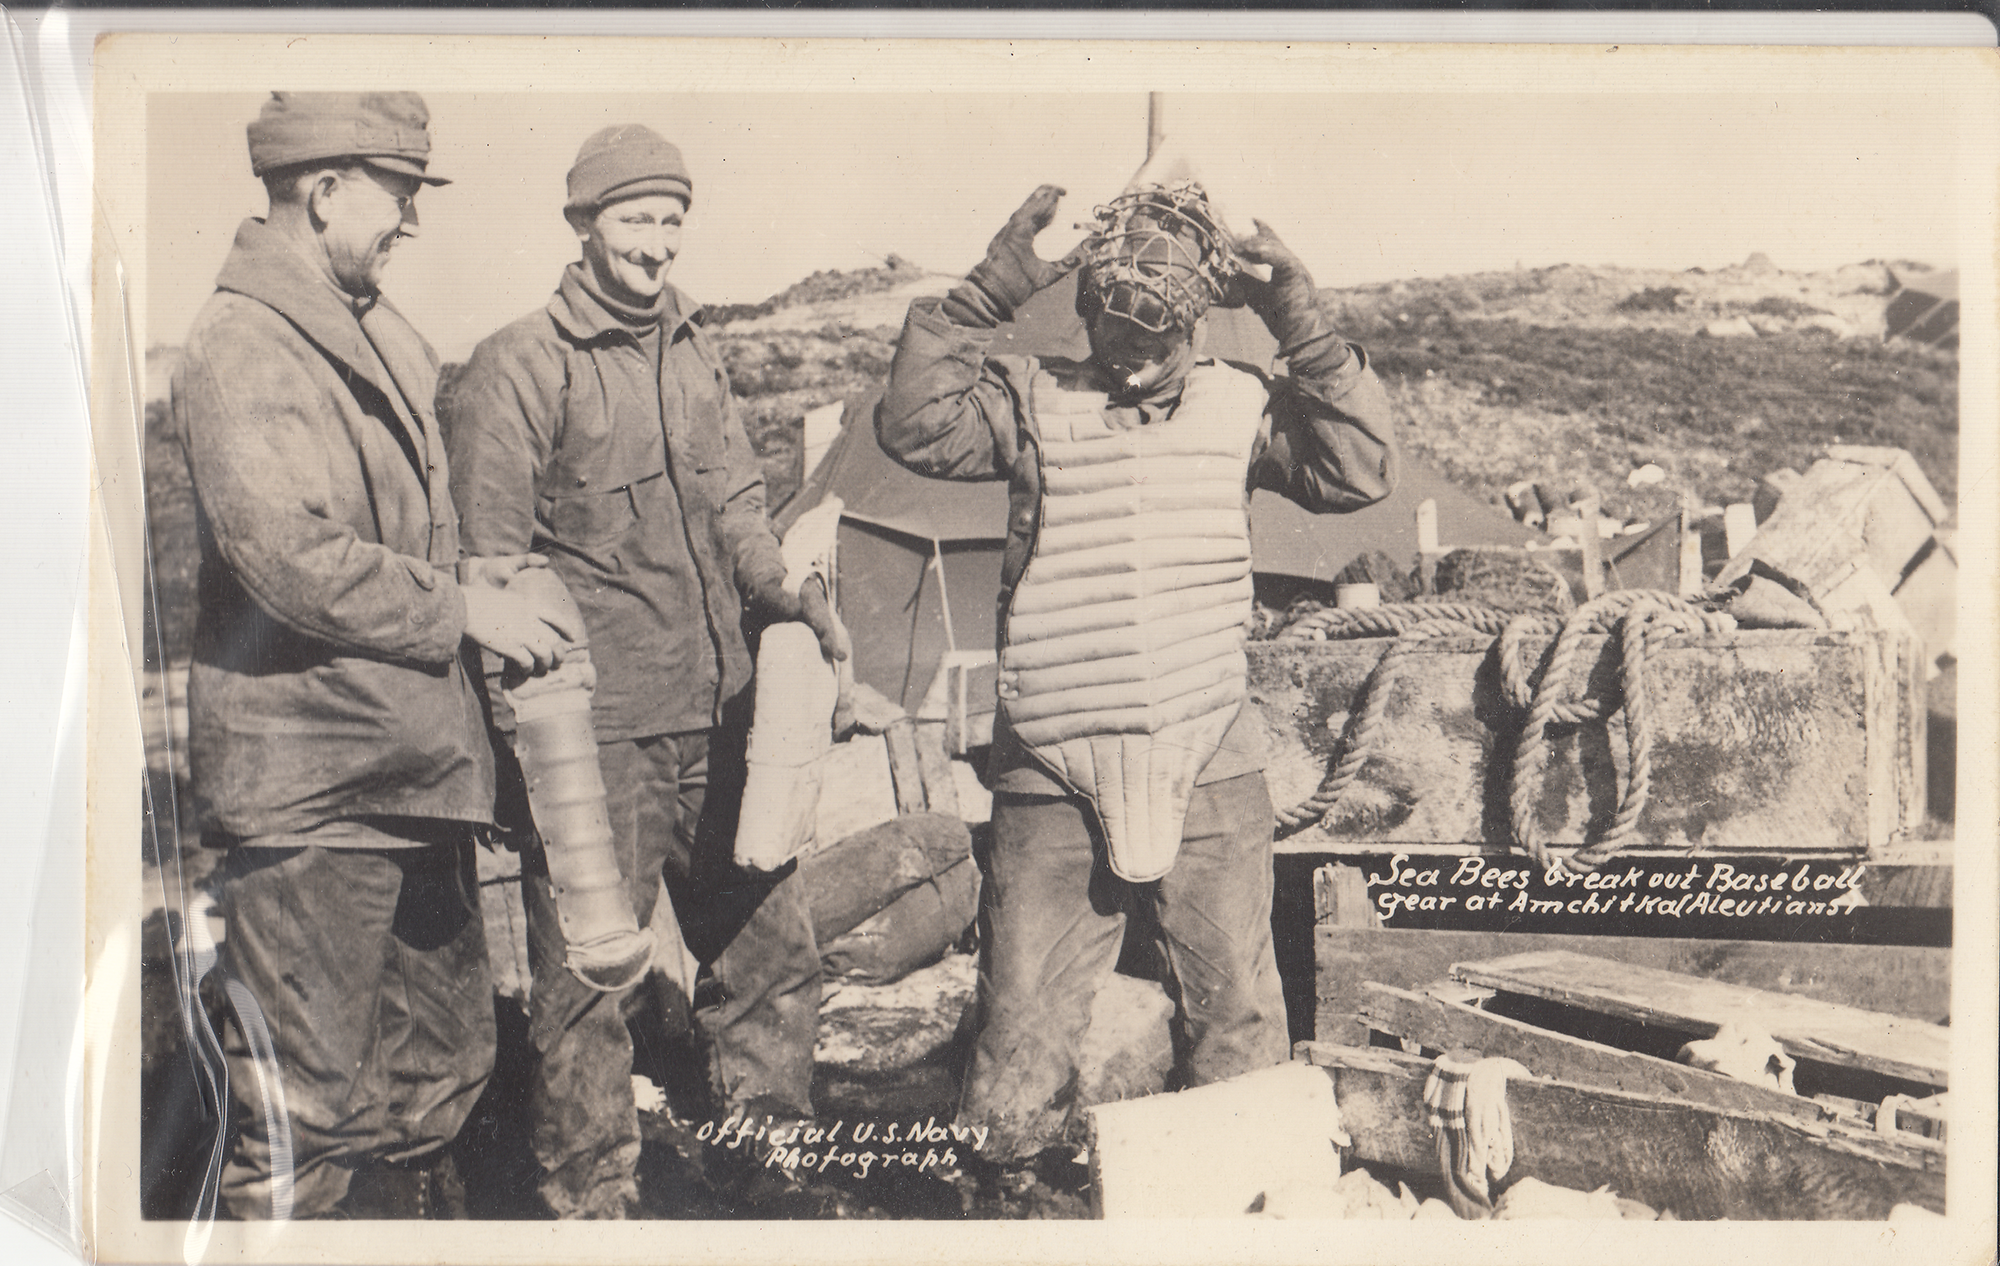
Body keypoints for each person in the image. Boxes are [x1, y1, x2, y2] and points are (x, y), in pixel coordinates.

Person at [876, 179, 1399, 1167]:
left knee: (1234, 1018)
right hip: (1049, 762)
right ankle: (1007, 1199)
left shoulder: (1240, 406)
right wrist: (981, 295)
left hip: (1204, 751)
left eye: (1159, 332)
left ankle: (1241, 1200)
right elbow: (912, 427)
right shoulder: (1033, 404)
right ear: (1084, 308)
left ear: (1196, 321)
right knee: (1021, 1026)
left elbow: (1357, 470)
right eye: (1115, 326)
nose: (1133, 350)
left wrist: (1302, 321)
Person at [173, 92, 578, 1220]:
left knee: (440, 1078)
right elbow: (286, 555)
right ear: (324, 190)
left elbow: (390, 541)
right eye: (398, 193)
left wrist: (475, 581)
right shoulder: (240, 341)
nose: (411, 217)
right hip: (312, 796)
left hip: (409, 780)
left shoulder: (374, 331)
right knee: (306, 1118)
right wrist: (457, 609)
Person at [442, 124, 844, 1218]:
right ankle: (594, 1205)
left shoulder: (694, 350)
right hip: (594, 738)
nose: (657, 243)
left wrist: (786, 600)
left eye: (671, 220)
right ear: (583, 225)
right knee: (588, 984)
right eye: (635, 219)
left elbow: (739, 511)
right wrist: (521, 755)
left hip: (721, 717)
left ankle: (772, 1173)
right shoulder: (519, 366)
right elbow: (493, 566)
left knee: (769, 953)